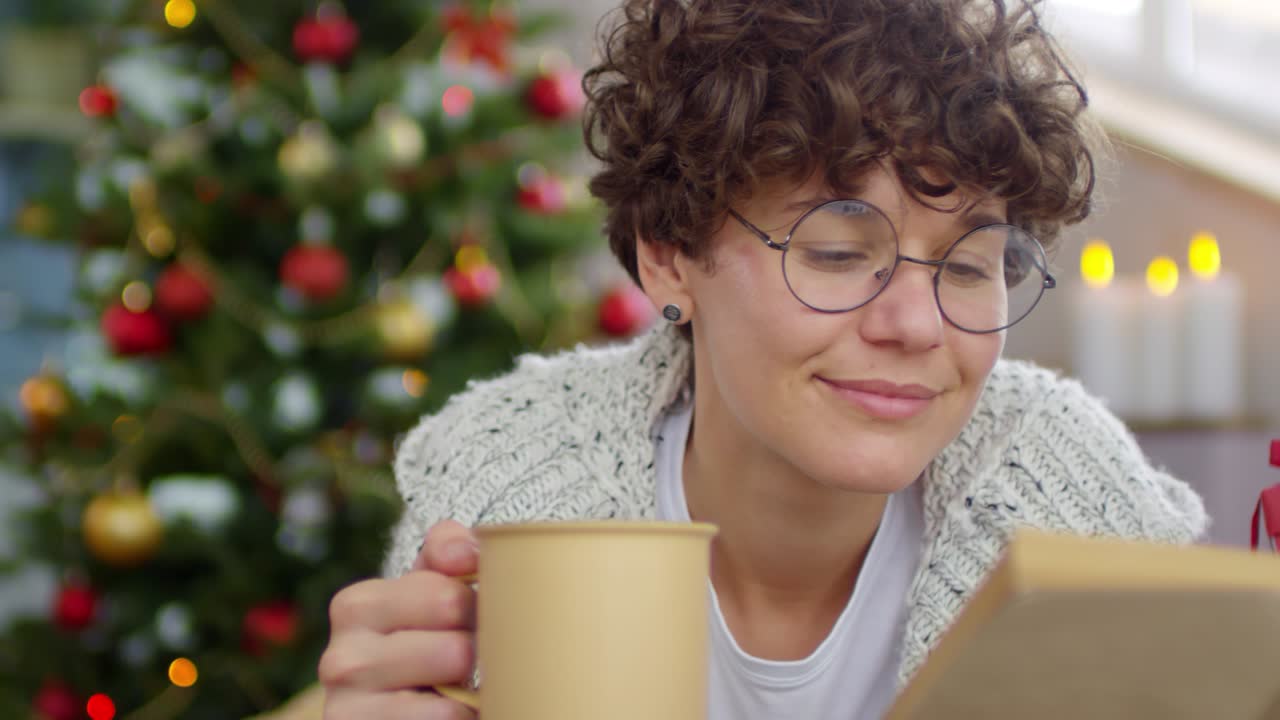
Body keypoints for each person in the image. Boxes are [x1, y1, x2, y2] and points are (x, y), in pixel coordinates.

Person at [318, 0, 1207, 717]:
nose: (915, 326)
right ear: (669, 253)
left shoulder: (1080, 506)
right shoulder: (504, 482)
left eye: (971, 266)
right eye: (836, 252)